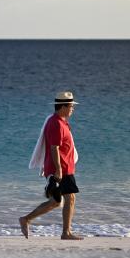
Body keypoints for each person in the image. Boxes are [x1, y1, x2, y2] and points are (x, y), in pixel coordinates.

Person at [19, 90, 83, 240]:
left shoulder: (60, 121)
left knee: (55, 201)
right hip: (61, 168)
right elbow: (54, 147)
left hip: (63, 166)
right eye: (71, 106)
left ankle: (26, 219)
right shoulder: (56, 124)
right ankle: (66, 233)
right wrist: (58, 169)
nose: (73, 109)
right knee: (70, 198)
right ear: (63, 107)